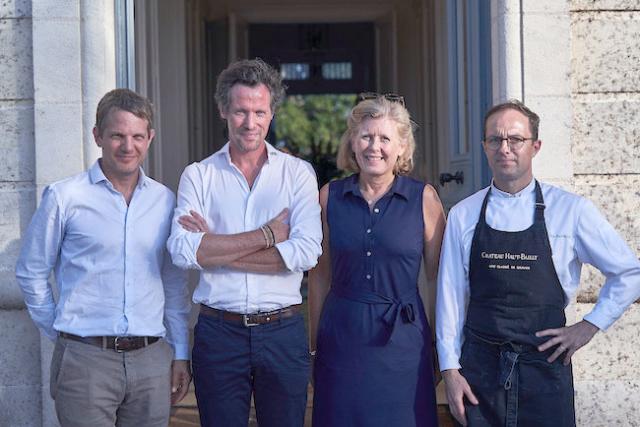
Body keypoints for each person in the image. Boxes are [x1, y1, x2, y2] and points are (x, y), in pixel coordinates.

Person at [436, 99, 640, 426]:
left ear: (536, 146)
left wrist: (589, 326)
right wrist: (450, 371)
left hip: (546, 372)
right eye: (495, 139)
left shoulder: (572, 211)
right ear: (484, 147)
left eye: (516, 139)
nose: (505, 148)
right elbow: (450, 299)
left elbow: (629, 273)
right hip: (480, 375)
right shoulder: (463, 215)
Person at [15, 89, 192, 427]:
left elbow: (173, 285)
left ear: (150, 138)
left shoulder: (165, 201)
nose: (128, 146)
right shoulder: (65, 197)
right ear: (98, 136)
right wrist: (62, 333)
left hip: (151, 361)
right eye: (117, 136)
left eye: (137, 136)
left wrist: (180, 352)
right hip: (86, 362)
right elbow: (31, 272)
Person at [166, 58, 322, 427]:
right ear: (223, 110)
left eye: (259, 112)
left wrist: (214, 248)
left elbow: (306, 252)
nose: (250, 123)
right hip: (219, 333)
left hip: (282, 331)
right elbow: (183, 250)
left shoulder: (297, 174)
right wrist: (267, 237)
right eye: (240, 111)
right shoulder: (199, 176)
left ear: (272, 113)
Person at [308, 93, 446, 426]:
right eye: (366, 136)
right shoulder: (329, 197)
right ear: (352, 143)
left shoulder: (423, 198)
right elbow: (319, 277)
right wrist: (313, 345)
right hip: (341, 339)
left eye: (385, 138)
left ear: (402, 147)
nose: (375, 146)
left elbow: (439, 279)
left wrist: (440, 347)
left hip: (405, 342)